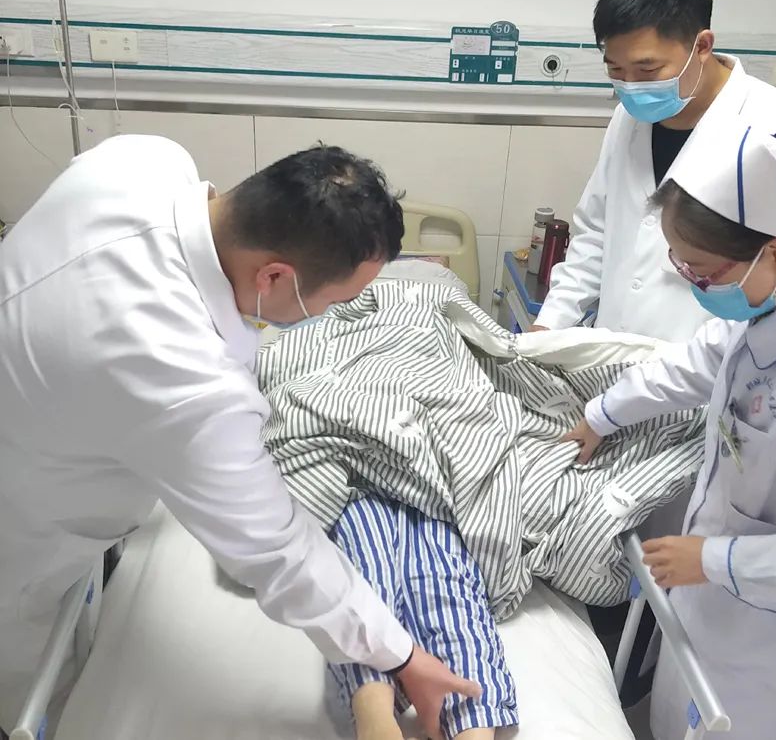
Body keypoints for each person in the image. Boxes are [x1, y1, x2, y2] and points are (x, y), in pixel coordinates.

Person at [0, 136, 479, 738]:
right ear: (274, 275)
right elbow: (279, 552)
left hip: (38, 411)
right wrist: (402, 656)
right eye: (335, 302)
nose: (327, 318)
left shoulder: (139, 159)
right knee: (40, 688)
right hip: (25, 533)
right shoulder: (184, 379)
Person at [564, 119, 776, 740]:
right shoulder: (764, 309)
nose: (694, 285)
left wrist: (716, 559)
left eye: (701, 271)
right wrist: (601, 414)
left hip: (774, 642)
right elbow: (693, 364)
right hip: (707, 606)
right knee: (678, 716)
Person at [533, 0, 776, 341]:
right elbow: (596, 232)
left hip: (710, 362)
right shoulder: (628, 118)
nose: (631, 86)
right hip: (613, 353)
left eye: (648, 70)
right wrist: (550, 324)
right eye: (615, 70)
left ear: (702, 45)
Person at [328, 496, 517, 740]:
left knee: (447, 586)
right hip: (352, 489)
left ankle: (472, 730)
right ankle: (375, 720)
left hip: (437, 496)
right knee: (366, 567)